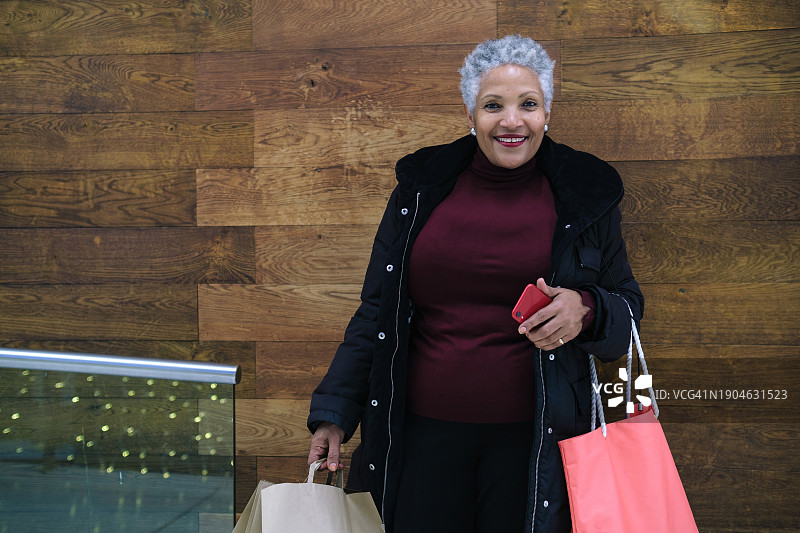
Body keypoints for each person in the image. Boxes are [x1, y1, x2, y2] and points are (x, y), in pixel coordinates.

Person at [307, 35, 643, 532]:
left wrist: (587, 308)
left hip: (536, 447)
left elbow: (627, 305)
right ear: (471, 112)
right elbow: (377, 311)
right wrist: (335, 412)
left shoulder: (585, 193)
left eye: (528, 104)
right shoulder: (421, 188)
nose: (512, 121)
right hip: (420, 442)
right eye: (493, 105)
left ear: (546, 111)